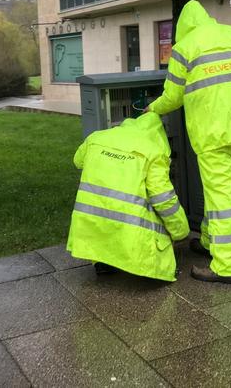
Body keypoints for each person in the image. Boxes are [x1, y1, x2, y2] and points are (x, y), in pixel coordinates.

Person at [147, 0, 231, 284]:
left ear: (183, 28)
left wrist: (154, 108)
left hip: (212, 134)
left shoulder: (184, 49)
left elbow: (173, 97)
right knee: (226, 194)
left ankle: (225, 267)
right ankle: (210, 241)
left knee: (221, 198)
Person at [66, 112, 189, 281]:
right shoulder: (154, 151)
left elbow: (78, 161)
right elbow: (163, 199)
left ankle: (103, 261)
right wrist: (181, 230)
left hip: (92, 218)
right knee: (149, 217)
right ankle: (146, 267)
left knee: (102, 221)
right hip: (130, 227)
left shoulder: (96, 137)